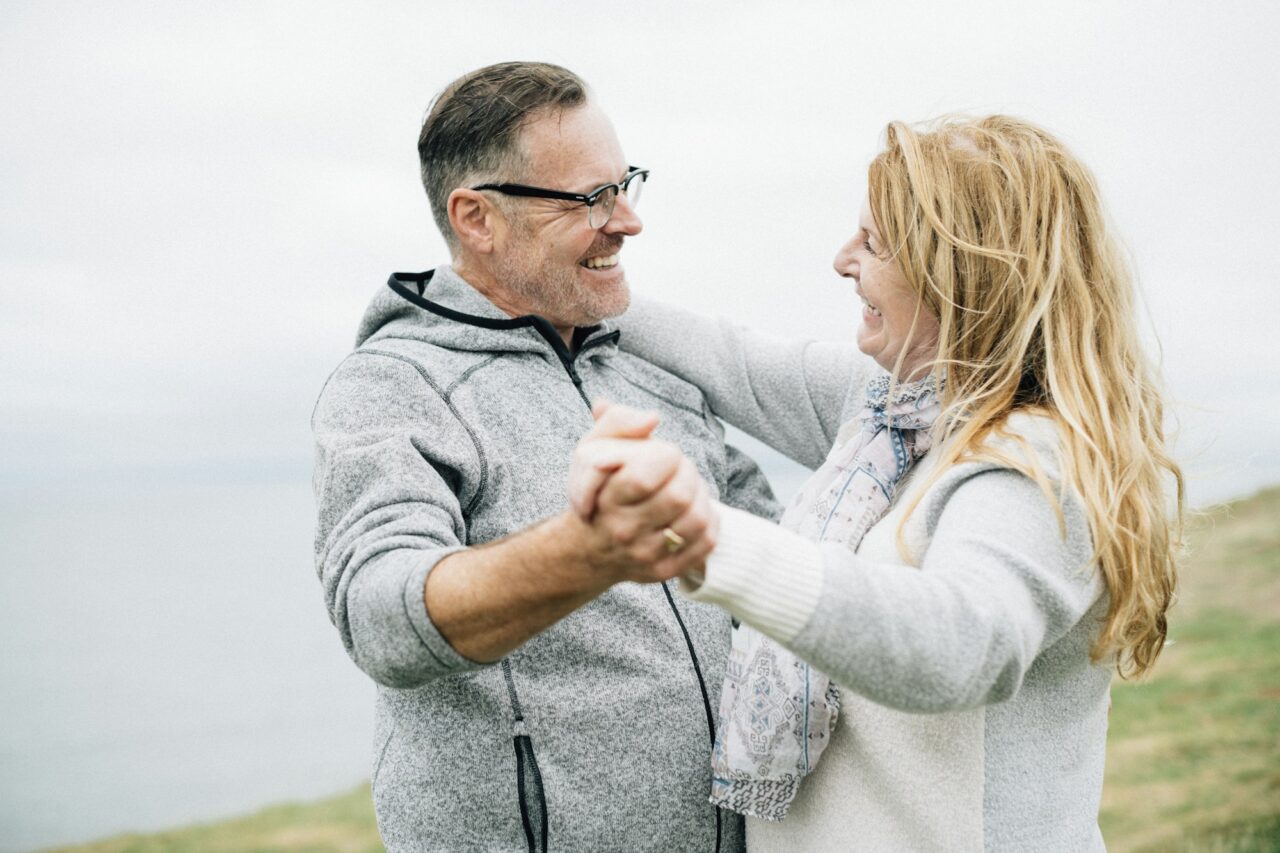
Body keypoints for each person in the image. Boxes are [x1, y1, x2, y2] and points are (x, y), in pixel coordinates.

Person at [569, 115, 1184, 851]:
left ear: (961, 272)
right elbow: (727, 357)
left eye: (874, 242)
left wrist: (711, 544)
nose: (842, 259)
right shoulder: (891, 410)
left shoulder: (1036, 465)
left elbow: (959, 644)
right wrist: (544, 281)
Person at [311, 62, 777, 851]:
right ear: (476, 218)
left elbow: (773, 547)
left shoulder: (650, 366)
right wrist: (584, 553)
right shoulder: (392, 384)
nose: (628, 220)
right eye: (592, 197)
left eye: (625, 182)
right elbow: (378, 617)